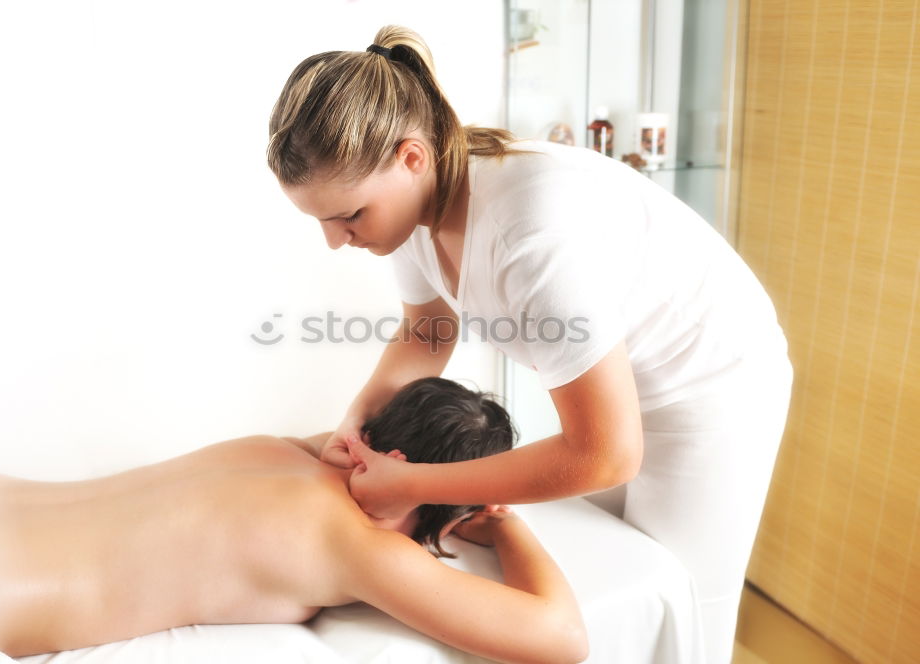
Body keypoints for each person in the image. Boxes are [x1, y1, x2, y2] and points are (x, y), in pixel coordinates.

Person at [267, 25, 793, 664]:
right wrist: (354, 426)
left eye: (349, 216)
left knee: (679, 598)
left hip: (709, 385)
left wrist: (412, 483)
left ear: (410, 158)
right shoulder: (413, 214)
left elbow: (606, 454)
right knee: (599, 567)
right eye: (322, 220)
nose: (336, 240)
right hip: (614, 390)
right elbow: (428, 331)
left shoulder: (529, 231)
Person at [0, 377, 589, 663]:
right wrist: (503, 522)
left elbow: (343, 447)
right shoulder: (357, 545)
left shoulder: (285, 449)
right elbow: (563, 639)